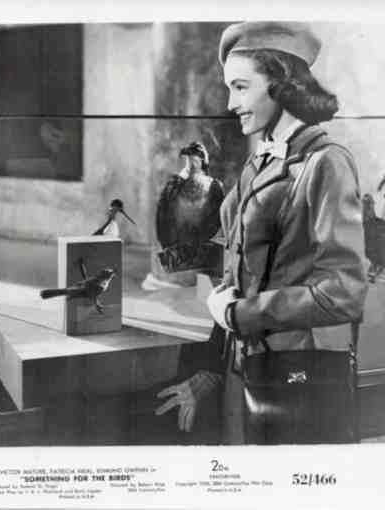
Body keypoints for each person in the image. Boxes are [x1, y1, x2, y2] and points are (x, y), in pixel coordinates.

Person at [156, 22, 367, 443]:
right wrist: (211, 371)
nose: (230, 103)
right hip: (243, 371)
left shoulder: (326, 162)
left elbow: (342, 292)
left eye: (240, 87)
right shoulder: (259, 163)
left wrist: (238, 314)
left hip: (294, 380)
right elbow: (239, 274)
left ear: (282, 85)